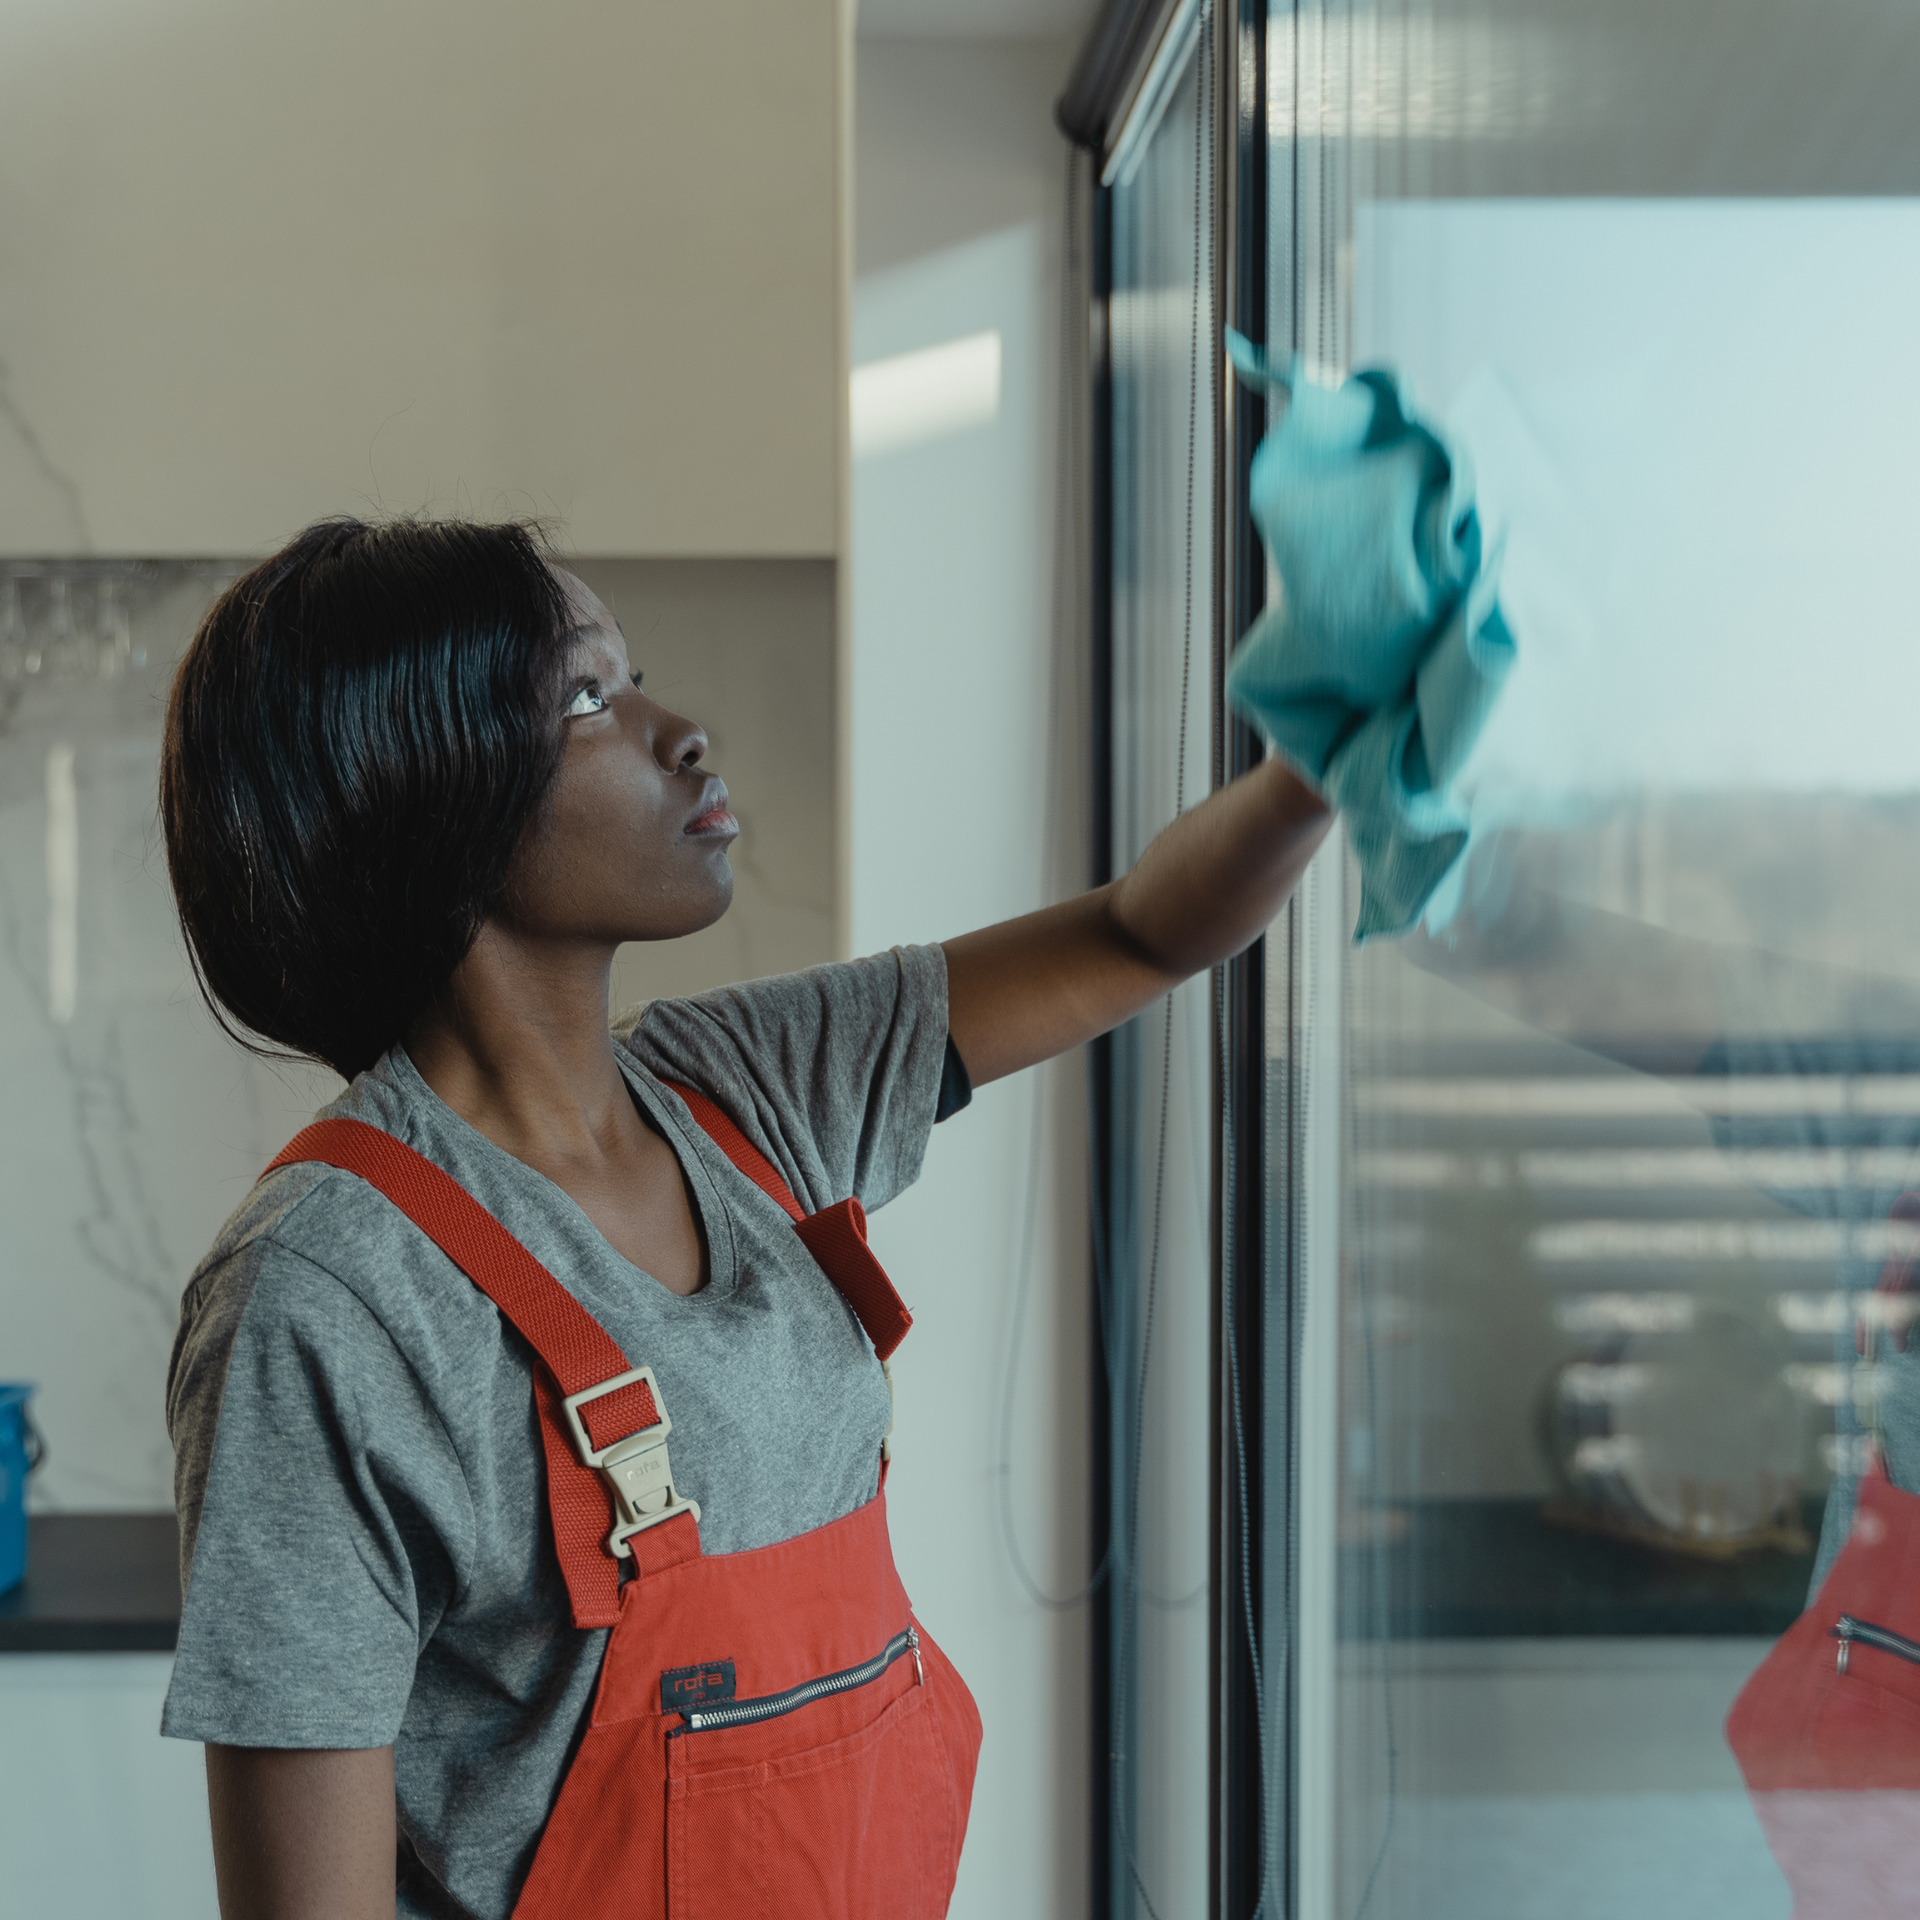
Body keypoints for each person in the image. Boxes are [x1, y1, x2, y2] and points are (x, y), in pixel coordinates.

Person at [156, 516, 1333, 1920]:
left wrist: (1325, 756)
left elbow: (1144, 931)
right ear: (431, 792)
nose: (682, 731)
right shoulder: (325, 1295)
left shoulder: (744, 1090)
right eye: (589, 698)